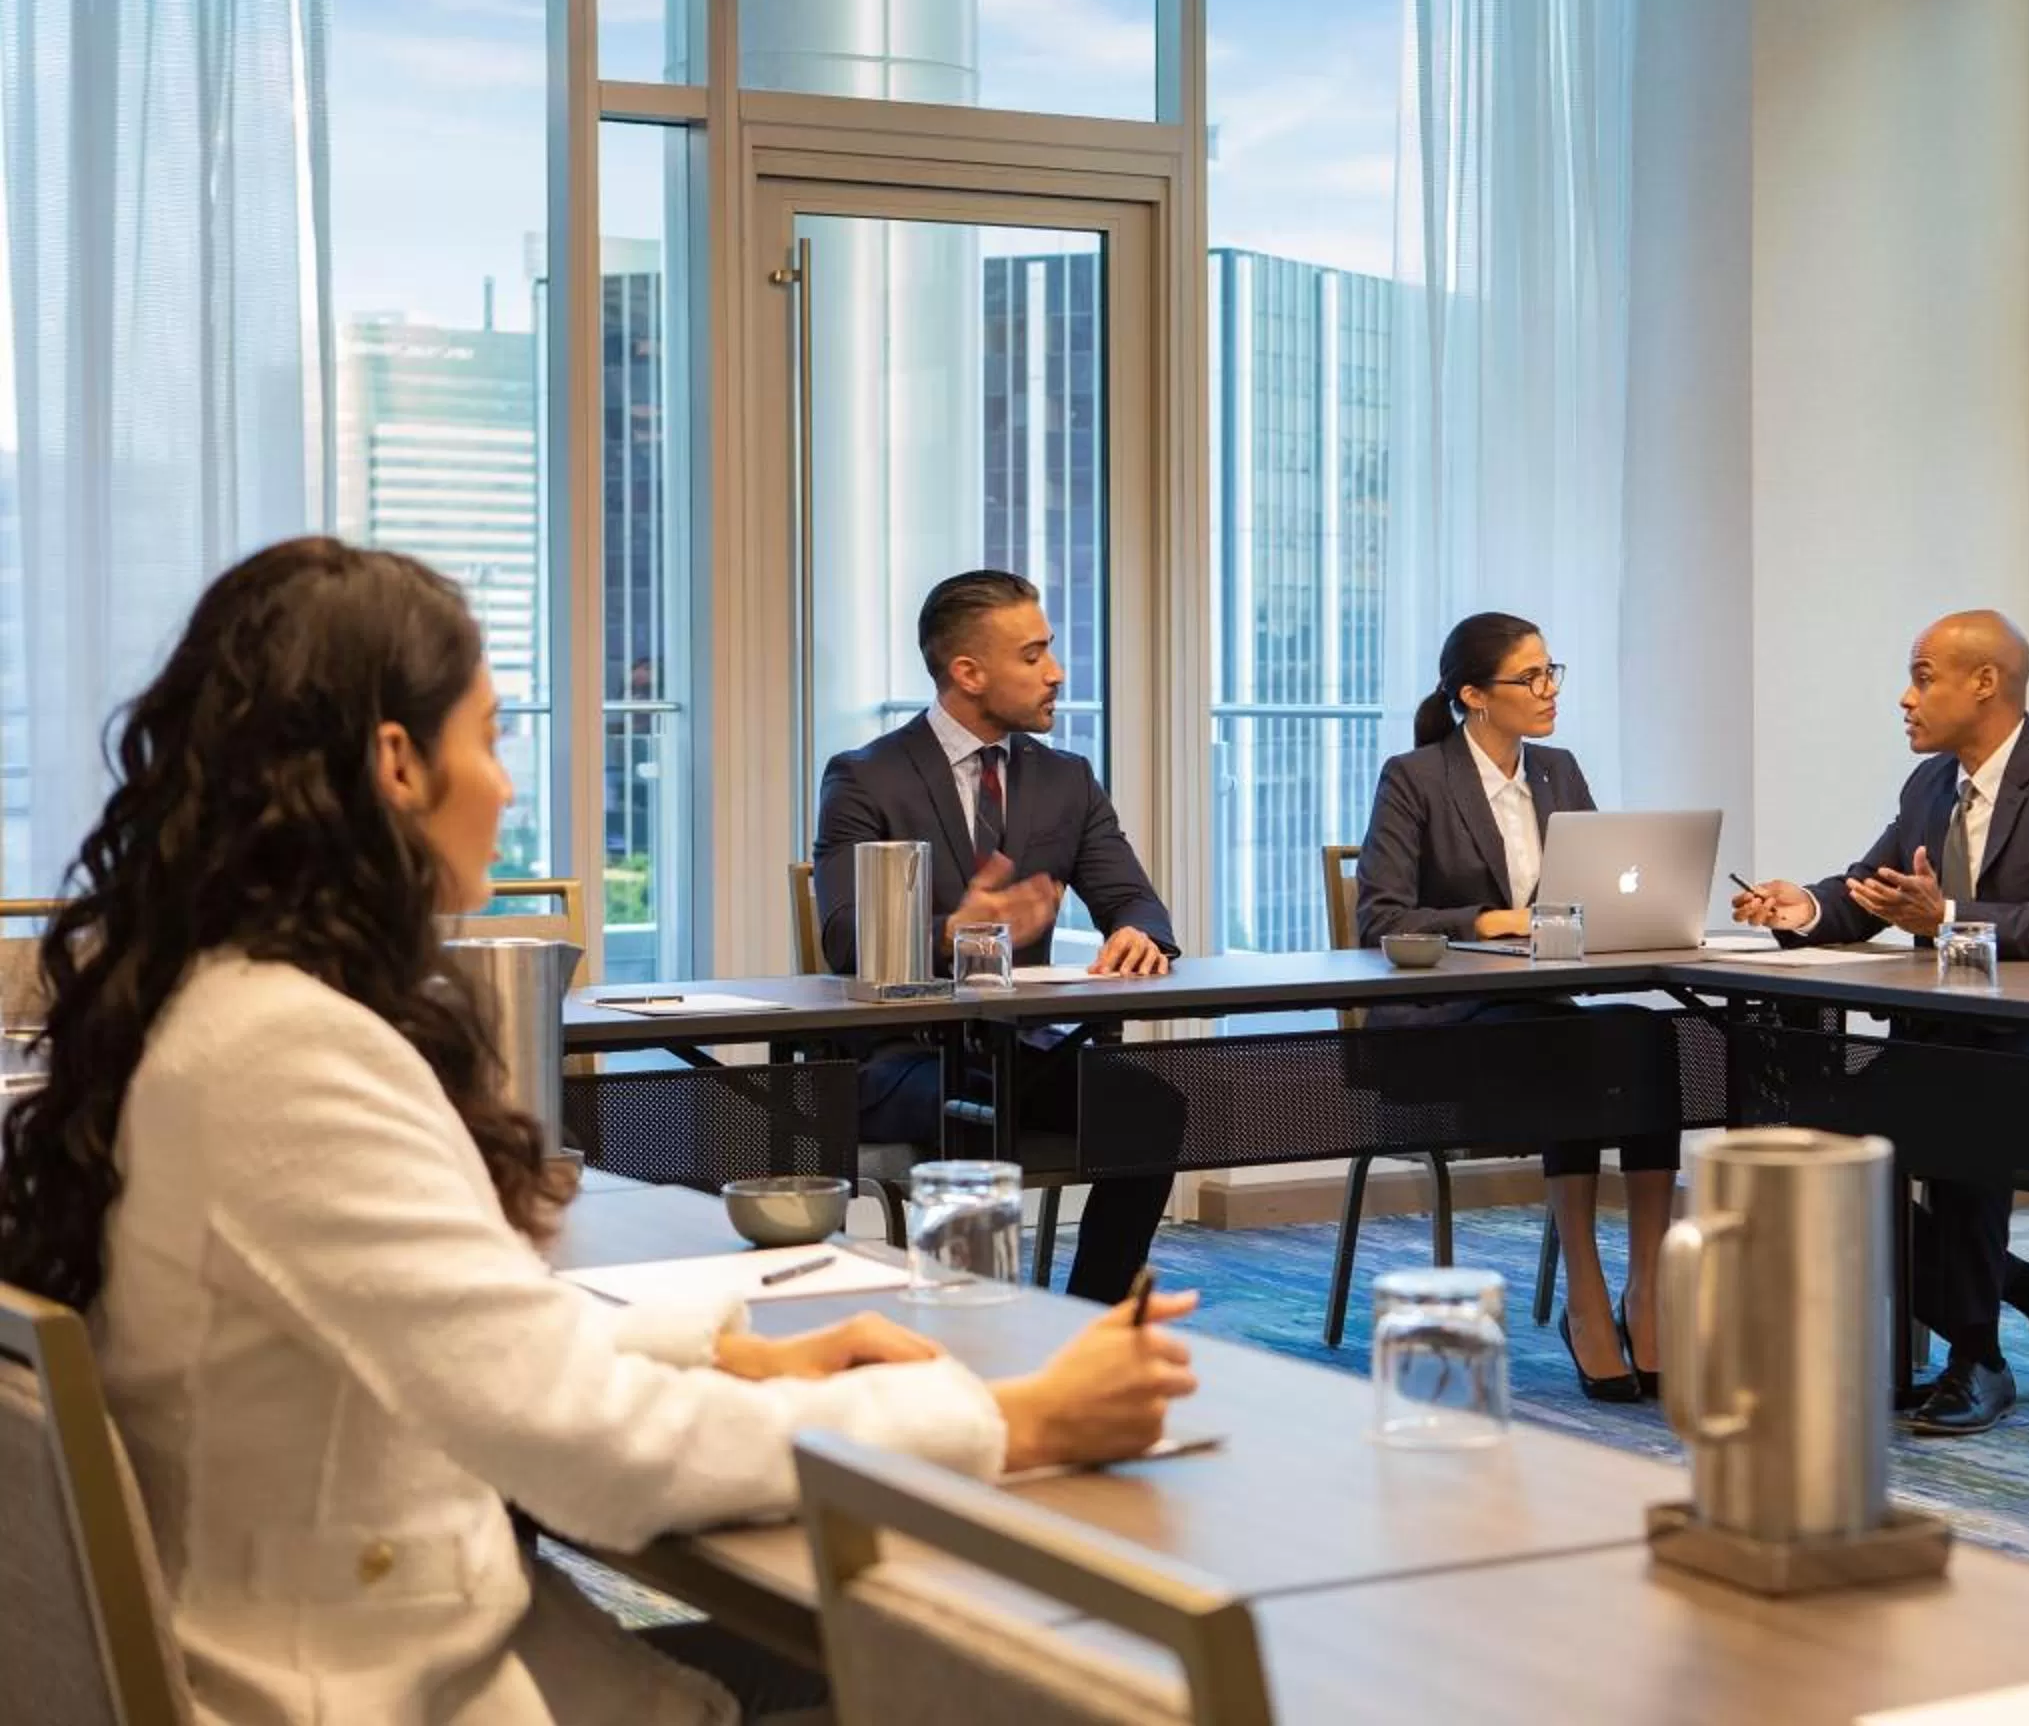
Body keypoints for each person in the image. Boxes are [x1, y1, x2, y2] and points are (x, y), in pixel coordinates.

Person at [0, 538, 1199, 1725]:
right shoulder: (289, 1056)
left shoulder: (209, 1013)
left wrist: (743, 1351)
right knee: (1035, 1690)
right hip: (383, 1686)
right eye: (492, 734)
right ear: (397, 763)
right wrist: (1008, 1419)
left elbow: (458, 1331)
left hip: (367, 1640)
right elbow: (604, 1456)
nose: (509, 786)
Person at [1731, 610, 2029, 1435]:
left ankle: (1977, 1356)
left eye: (1922, 676)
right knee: (1812, 1138)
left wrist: (1954, 915)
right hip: (1960, 1045)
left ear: (1985, 683)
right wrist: (1805, 904)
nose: (1905, 697)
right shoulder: (1930, 787)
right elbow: (1874, 891)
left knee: (1963, 1096)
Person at [813, 568, 1186, 1303]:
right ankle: (974, 1327)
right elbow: (845, 940)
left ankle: (1087, 1319)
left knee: (1154, 1106)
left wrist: (1140, 936)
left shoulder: (1066, 779)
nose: (1056, 673)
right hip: (901, 1058)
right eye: (1033, 655)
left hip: (1022, 1050)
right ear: (968, 672)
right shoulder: (865, 778)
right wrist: (952, 930)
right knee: (974, 1108)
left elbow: (1135, 900)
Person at [1354, 614, 1683, 1401]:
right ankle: (1587, 1293)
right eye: (1529, 678)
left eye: (1551, 674)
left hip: (1541, 1006)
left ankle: (1648, 1286)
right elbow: (1381, 916)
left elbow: (1599, 883)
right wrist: (1482, 921)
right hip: (1444, 1026)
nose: (1548, 692)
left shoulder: (1558, 772)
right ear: (1473, 695)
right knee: (1577, 1050)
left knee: (1649, 1037)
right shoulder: (1416, 777)